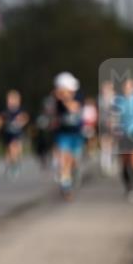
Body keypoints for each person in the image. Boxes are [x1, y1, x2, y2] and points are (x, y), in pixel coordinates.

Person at [50, 72, 84, 200]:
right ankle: (66, 187)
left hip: (76, 133)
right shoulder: (56, 101)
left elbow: (74, 108)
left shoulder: (78, 96)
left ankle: (71, 176)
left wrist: (65, 98)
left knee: (73, 161)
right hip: (63, 134)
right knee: (65, 160)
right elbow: (52, 115)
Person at [0, 89, 30, 179]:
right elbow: (0, 120)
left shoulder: (20, 111)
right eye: (10, 99)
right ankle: (10, 165)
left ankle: (16, 163)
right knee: (9, 150)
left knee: (17, 149)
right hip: (8, 134)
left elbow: (25, 118)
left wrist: (20, 122)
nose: (11, 102)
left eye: (13, 99)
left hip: (17, 133)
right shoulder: (5, 111)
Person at [98, 80, 117, 176]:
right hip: (103, 123)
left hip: (112, 124)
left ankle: (108, 162)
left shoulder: (114, 99)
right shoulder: (101, 99)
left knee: (111, 144)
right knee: (105, 143)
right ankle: (105, 163)